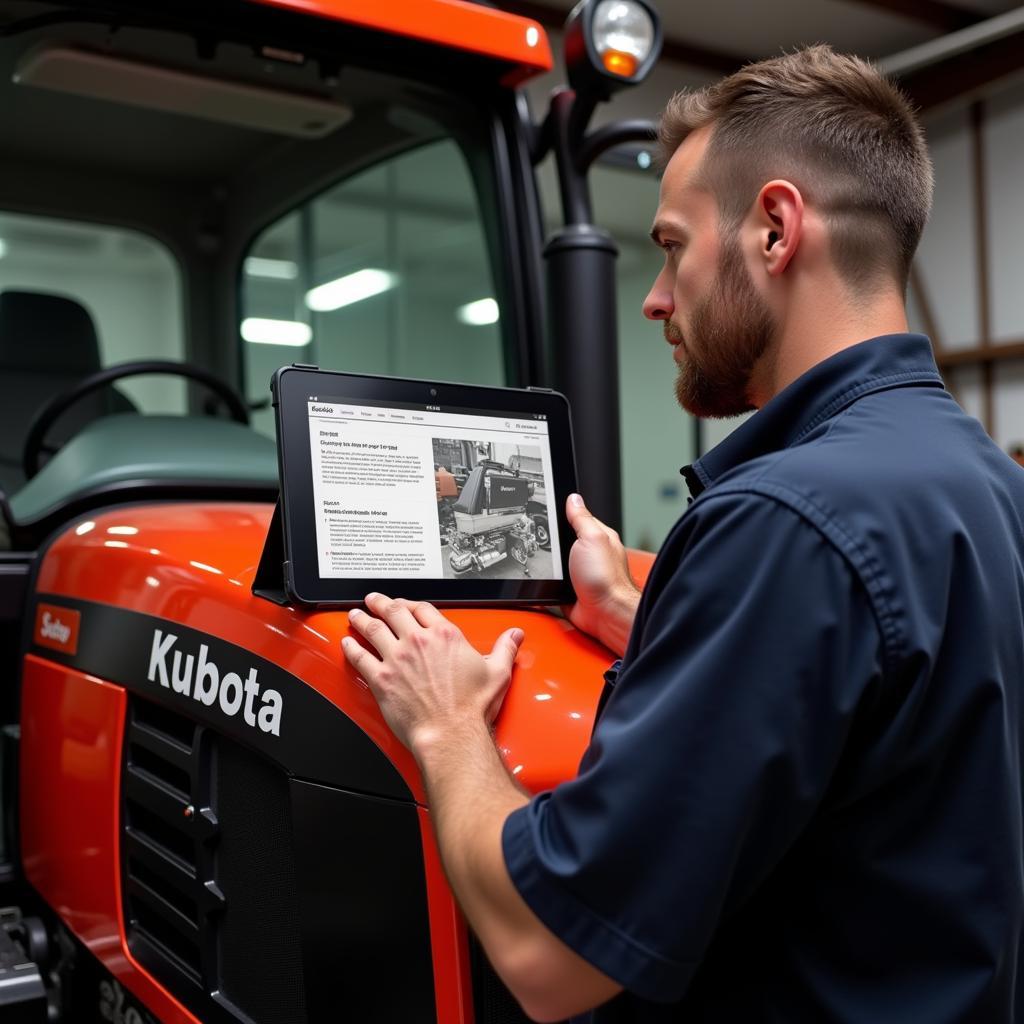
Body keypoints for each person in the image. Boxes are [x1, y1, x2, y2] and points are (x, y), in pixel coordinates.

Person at [342, 45, 1024, 1023]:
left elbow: (551, 953)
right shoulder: (986, 480)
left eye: (670, 246)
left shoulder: (780, 523)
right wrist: (635, 610)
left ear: (776, 230)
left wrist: (444, 726)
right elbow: (892, 728)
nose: (657, 298)